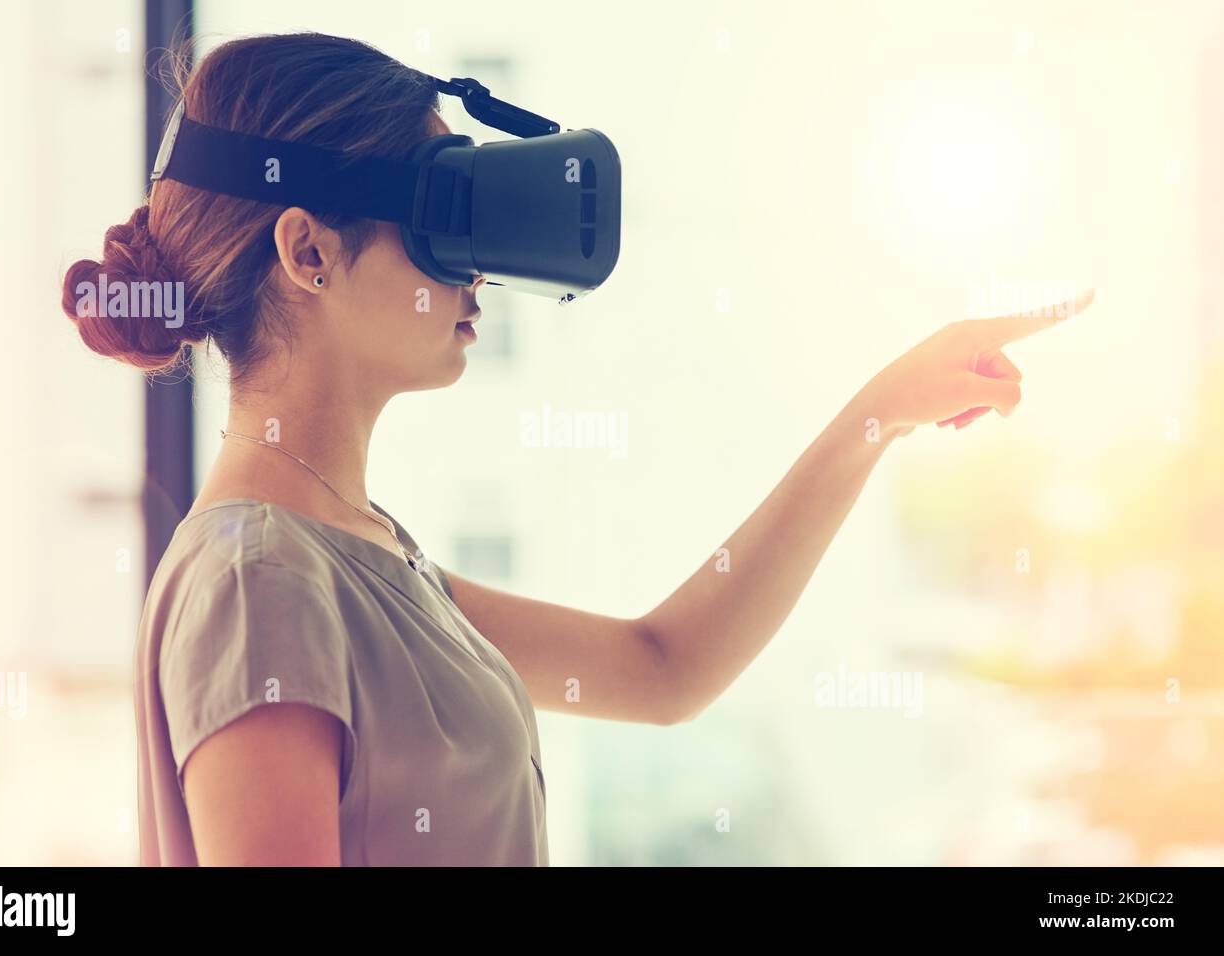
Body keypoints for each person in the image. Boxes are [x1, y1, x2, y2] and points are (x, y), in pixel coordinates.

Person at [60, 32, 1093, 866]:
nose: (479, 278)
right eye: (446, 214)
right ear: (308, 251)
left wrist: (884, 409)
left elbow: (661, 668)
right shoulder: (257, 579)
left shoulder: (360, 557)